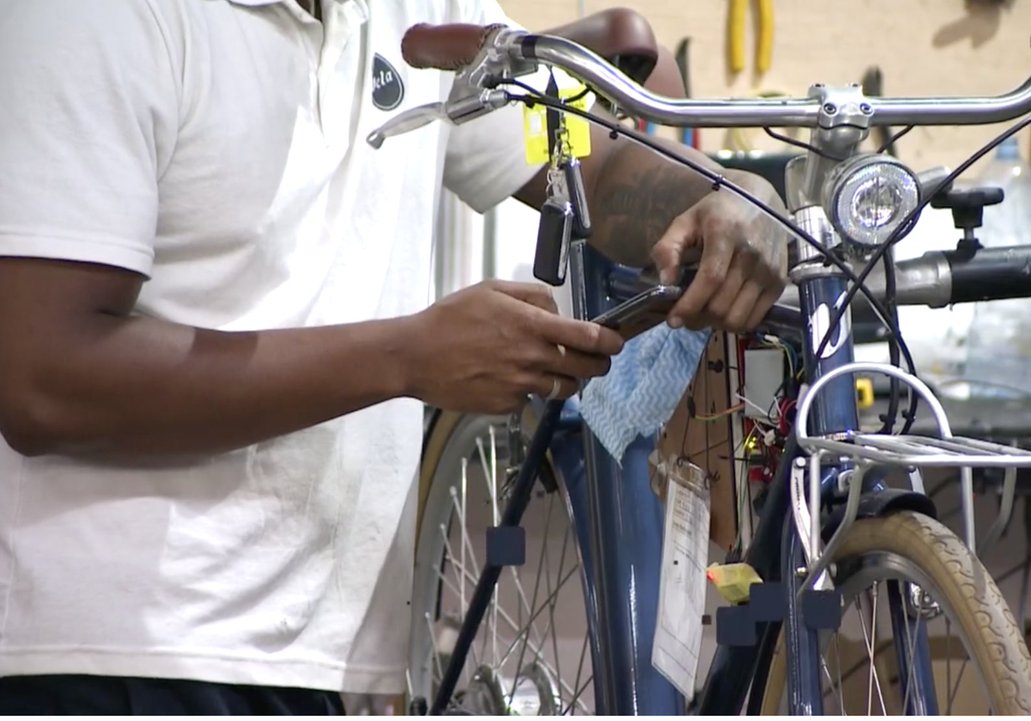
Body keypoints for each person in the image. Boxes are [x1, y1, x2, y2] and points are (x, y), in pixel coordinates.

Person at [0, 0, 787, 714]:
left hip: (328, 661)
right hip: (112, 658)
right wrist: (406, 355)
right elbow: (42, 378)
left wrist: (729, 199)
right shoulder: (91, 20)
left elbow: (595, 165)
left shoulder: (413, 11)